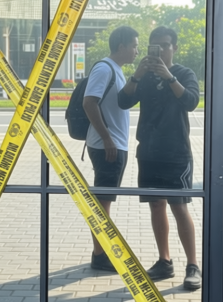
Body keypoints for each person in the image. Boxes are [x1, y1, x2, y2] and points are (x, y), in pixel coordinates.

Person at [118, 26, 202, 290]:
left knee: (179, 206)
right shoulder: (144, 76)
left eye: (166, 45)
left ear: (174, 47)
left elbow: (191, 102)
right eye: (155, 46)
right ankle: (164, 261)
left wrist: (169, 76)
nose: (161, 50)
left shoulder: (184, 73)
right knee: (156, 205)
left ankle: (193, 265)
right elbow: (123, 101)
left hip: (176, 152)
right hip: (149, 151)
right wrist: (137, 75)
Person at [83, 25, 139, 272]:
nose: (137, 51)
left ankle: (100, 252)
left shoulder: (117, 70)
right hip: (107, 146)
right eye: (134, 46)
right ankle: (100, 255)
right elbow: (89, 103)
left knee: (105, 201)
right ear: (121, 46)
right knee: (102, 203)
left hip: (114, 144)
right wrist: (107, 139)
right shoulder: (105, 68)